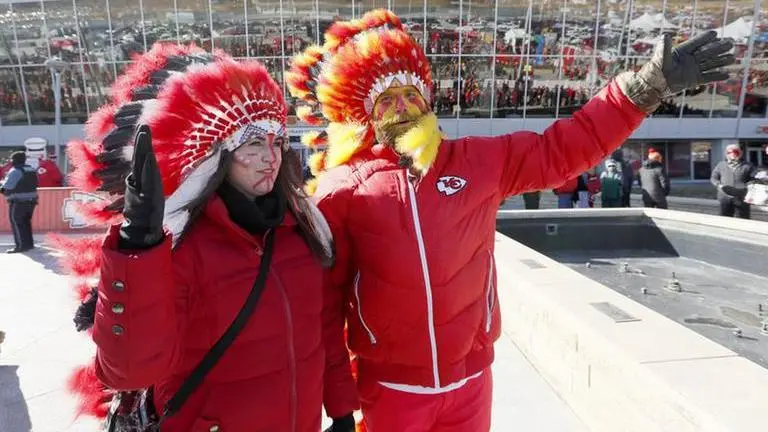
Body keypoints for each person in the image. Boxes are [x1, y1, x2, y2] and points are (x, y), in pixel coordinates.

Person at [287, 10, 733, 431]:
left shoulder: (478, 160)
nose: (402, 106)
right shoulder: (341, 188)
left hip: (471, 382)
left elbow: (566, 147)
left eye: (410, 94)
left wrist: (641, 90)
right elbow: (325, 307)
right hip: (391, 389)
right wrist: (339, 399)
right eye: (386, 100)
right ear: (365, 112)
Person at [59, 45, 357, 432]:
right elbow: (128, 370)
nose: (271, 157)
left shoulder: (301, 233)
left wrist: (341, 409)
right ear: (217, 155)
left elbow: (325, 332)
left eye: (277, 143)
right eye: (253, 144)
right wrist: (138, 249)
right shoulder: (181, 248)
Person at [0, 151, 39, 253]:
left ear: (15, 160)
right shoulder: (31, 169)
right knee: (26, 223)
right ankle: (29, 245)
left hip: (19, 202)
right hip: (32, 201)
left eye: (11, 159)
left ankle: (20, 247)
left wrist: (2, 188)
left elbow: (7, 187)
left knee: (17, 224)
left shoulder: (15, 171)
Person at [711, 144, 757, 219]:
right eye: (730, 152)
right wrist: (719, 185)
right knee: (725, 219)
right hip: (725, 197)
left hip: (742, 198)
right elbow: (713, 178)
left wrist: (750, 190)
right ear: (727, 154)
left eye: (736, 152)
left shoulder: (748, 165)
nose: (733, 154)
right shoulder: (721, 165)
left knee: (743, 220)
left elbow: (753, 179)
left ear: (740, 153)